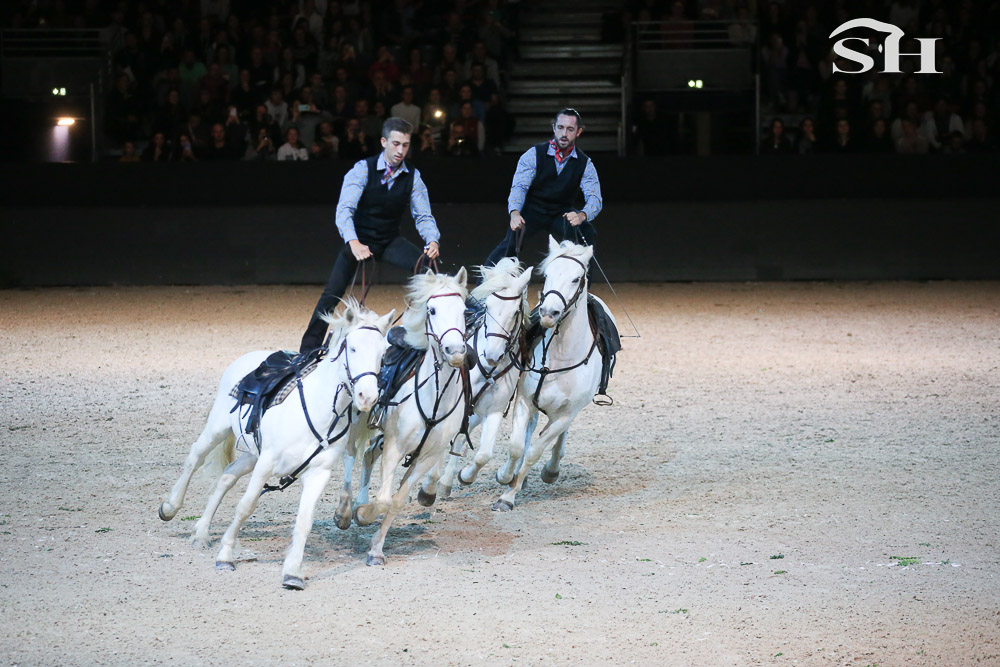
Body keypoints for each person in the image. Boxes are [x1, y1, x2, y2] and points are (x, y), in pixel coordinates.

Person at [299, 117, 441, 352]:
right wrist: (354, 242)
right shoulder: (362, 170)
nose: (400, 150)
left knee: (429, 270)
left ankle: (425, 336)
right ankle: (308, 350)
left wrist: (432, 240)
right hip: (360, 239)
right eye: (396, 144)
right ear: (384, 142)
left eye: (405, 145)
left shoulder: (413, 176)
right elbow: (344, 210)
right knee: (332, 293)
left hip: (389, 240)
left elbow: (423, 215)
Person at [484, 108, 602, 271]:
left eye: (570, 129)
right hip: (533, 210)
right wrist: (515, 213)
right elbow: (520, 187)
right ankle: (482, 285)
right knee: (510, 243)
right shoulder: (534, 154)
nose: (564, 134)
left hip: (562, 212)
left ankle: (583, 284)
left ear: (578, 132)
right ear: (554, 128)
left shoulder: (585, 163)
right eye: (560, 127)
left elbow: (595, 198)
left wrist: (582, 216)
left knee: (587, 232)